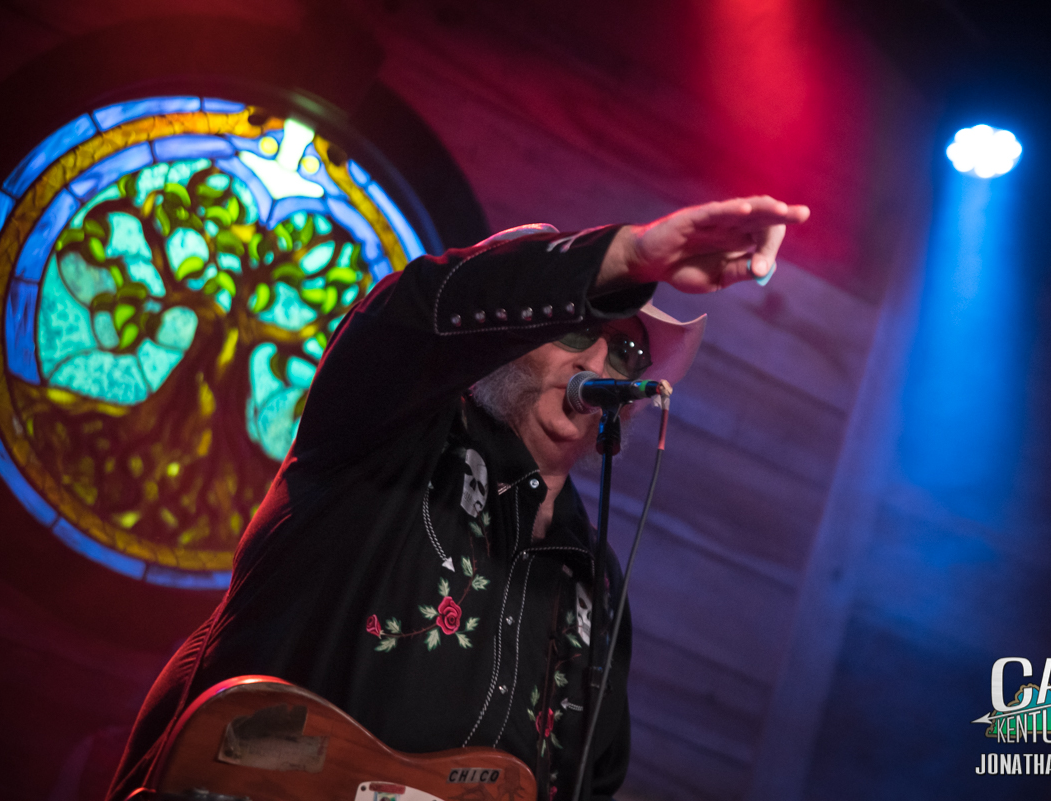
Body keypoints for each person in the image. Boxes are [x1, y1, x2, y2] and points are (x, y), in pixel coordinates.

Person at [108, 196, 809, 801]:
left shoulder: (595, 585)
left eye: (625, 352)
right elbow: (407, 317)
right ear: (504, 339)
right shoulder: (388, 433)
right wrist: (630, 256)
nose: (597, 361)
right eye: (575, 331)